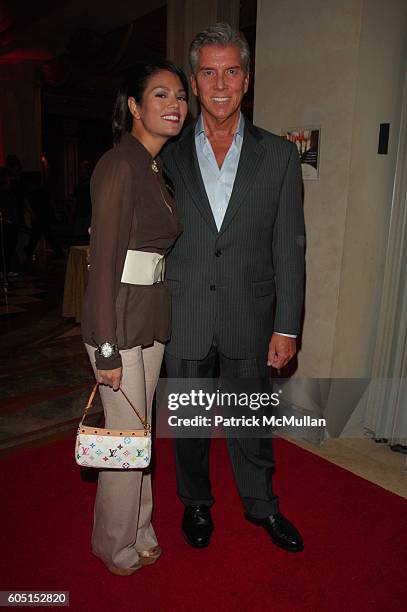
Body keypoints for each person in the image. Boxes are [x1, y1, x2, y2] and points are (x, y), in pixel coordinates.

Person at [161, 24, 305, 552]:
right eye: (208, 72)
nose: (220, 83)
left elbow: (290, 247)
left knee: (252, 424)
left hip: (252, 314)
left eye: (231, 71)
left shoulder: (280, 156)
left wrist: (286, 326)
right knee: (191, 426)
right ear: (194, 84)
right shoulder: (167, 155)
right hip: (186, 313)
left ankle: (262, 506)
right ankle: (196, 502)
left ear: (246, 80)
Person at [81, 61, 188, 575]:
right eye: (162, 95)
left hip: (148, 318)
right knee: (124, 441)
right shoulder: (120, 164)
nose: (175, 105)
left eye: (181, 97)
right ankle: (113, 544)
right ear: (134, 107)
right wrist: (104, 345)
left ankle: (141, 528)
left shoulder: (151, 167)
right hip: (118, 323)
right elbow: (103, 260)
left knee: (139, 437)